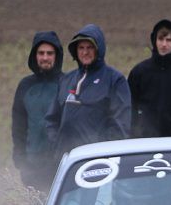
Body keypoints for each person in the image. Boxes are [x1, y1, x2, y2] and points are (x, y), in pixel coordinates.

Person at [46, 24, 131, 156]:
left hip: (97, 159)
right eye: (81, 48)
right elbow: (51, 119)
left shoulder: (115, 80)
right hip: (66, 161)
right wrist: (56, 145)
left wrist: (102, 153)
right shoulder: (66, 80)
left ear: (99, 49)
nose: (85, 52)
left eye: (90, 47)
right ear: (75, 50)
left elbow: (120, 126)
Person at [10, 31, 64, 191]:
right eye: (41, 53)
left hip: (59, 165)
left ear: (57, 56)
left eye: (49, 53)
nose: (45, 57)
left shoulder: (67, 84)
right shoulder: (25, 86)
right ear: (34, 56)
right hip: (32, 165)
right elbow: (18, 126)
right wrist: (20, 159)